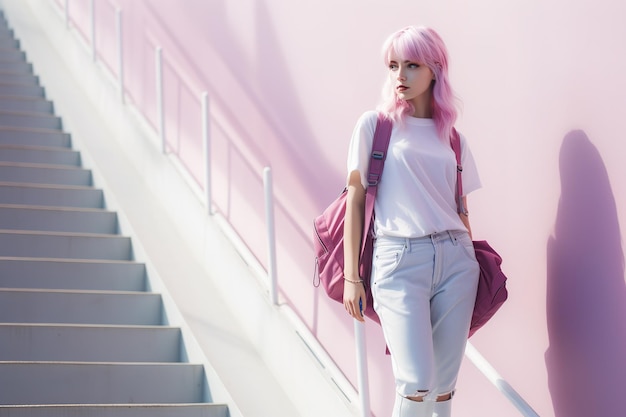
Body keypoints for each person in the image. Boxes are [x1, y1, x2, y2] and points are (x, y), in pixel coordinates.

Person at [342, 26, 481, 417]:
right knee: (416, 383)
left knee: (443, 390)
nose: (399, 76)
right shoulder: (375, 125)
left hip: (456, 260)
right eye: (393, 66)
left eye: (411, 65)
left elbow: (461, 207)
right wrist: (353, 277)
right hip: (399, 260)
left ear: (435, 70)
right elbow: (355, 199)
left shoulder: (453, 139)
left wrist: (470, 258)